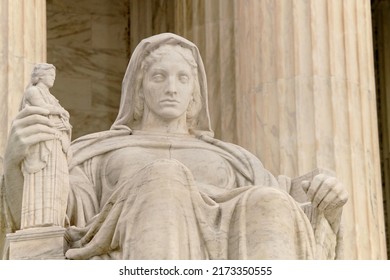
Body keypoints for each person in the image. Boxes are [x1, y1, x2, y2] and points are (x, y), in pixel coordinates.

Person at [1, 33, 348, 260]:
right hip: (142, 236)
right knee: (164, 179)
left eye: (182, 78)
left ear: (194, 92)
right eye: (158, 77)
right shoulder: (99, 153)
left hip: (230, 240)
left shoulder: (236, 160)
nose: (171, 87)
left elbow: (294, 205)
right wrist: (19, 161)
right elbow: (46, 218)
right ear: (139, 89)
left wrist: (325, 199)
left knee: (269, 200)